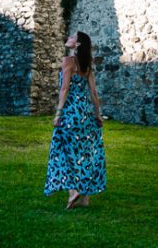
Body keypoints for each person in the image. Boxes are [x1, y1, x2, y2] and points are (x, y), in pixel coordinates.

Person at [44, 31, 106, 209]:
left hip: (71, 113)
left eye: (72, 38)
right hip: (85, 113)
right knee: (85, 153)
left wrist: (58, 113)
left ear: (77, 45)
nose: (68, 39)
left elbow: (64, 89)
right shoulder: (87, 65)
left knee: (64, 151)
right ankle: (85, 199)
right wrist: (97, 114)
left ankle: (73, 191)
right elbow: (93, 92)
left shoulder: (68, 62)